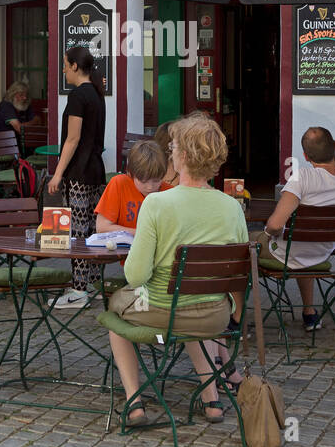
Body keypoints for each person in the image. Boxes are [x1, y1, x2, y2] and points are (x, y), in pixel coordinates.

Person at [106, 116, 248, 425]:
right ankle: (212, 401)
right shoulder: (233, 208)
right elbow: (239, 273)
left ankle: (135, 402)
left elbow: (136, 276)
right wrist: (235, 314)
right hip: (215, 315)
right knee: (192, 303)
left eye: (173, 148)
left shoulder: (157, 203)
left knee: (115, 314)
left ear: (181, 156)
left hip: (162, 309)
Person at [257, 127, 335, 331]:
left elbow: (275, 225)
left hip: (285, 252)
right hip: (321, 253)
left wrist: (267, 235)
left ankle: (234, 319)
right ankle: (309, 313)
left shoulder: (302, 177)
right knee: (303, 242)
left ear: (306, 156)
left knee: (241, 244)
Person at [47, 46, 107, 310]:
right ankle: (92, 285)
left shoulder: (78, 96)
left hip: (79, 172)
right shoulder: (96, 93)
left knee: (79, 231)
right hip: (95, 169)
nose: (62, 69)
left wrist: (58, 173)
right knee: (93, 230)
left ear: (74, 66)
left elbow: (73, 138)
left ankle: (78, 290)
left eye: (65, 64)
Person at [95, 140, 171, 234]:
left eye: (156, 180)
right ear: (130, 174)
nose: (150, 187)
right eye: (143, 181)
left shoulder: (170, 192)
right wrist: (144, 234)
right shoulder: (119, 184)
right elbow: (102, 227)